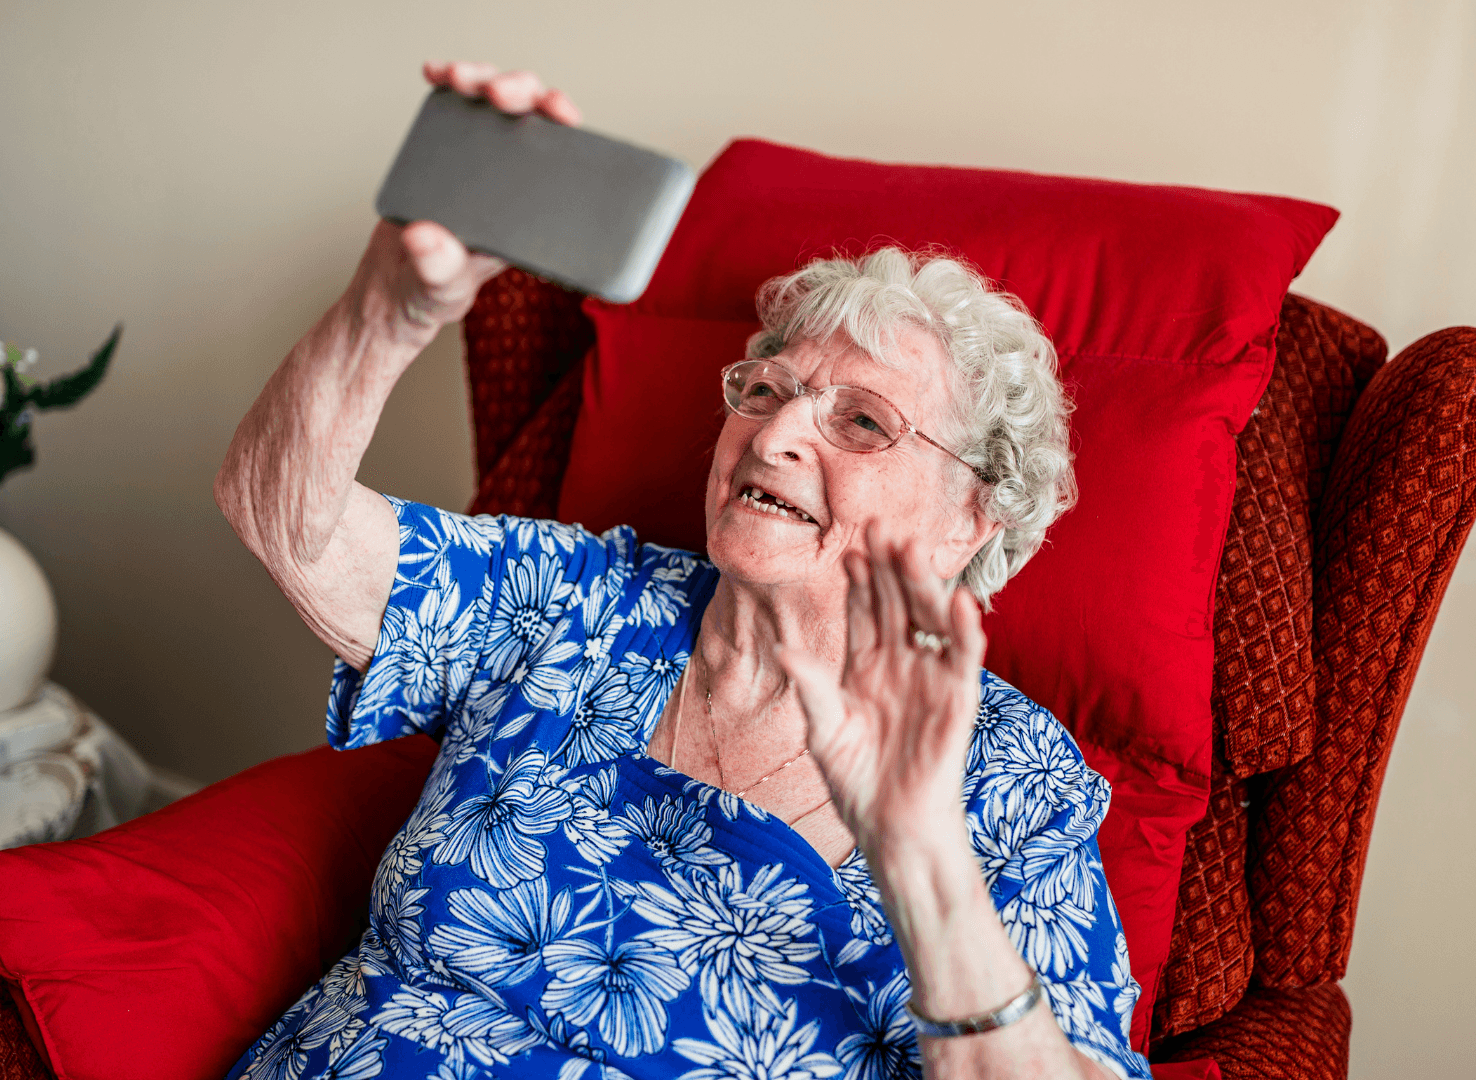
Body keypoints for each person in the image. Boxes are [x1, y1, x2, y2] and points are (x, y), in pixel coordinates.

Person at [214, 61, 1150, 1080]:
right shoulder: (585, 603)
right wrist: (388, 308)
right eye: (766, 389)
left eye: (863, 422)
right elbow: (284, 522)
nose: (777, 431)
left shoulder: (1011, 780)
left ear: (968, 519)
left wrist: (921, 854)